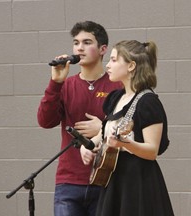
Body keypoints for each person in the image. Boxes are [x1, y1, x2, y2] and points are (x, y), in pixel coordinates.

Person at [37, 21, 122, 216]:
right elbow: (45, 121)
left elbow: (130, 128)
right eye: (76, 43)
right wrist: (55, 83)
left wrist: (103, 128)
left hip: (106, 179)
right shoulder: (65, 85)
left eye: (86, 42)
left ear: (103, 49)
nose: (79, 48)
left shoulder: (117, 86)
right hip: (68, 182)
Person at [81, 40, 174, 216]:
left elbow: (152, 151)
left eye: (114, 60)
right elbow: (105, 134)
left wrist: (125, 144)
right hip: (113, 180)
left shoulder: (148, 102)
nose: (108, 65)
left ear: (131, 66)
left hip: (138, 183)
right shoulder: (115, 98)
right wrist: (88, 147)